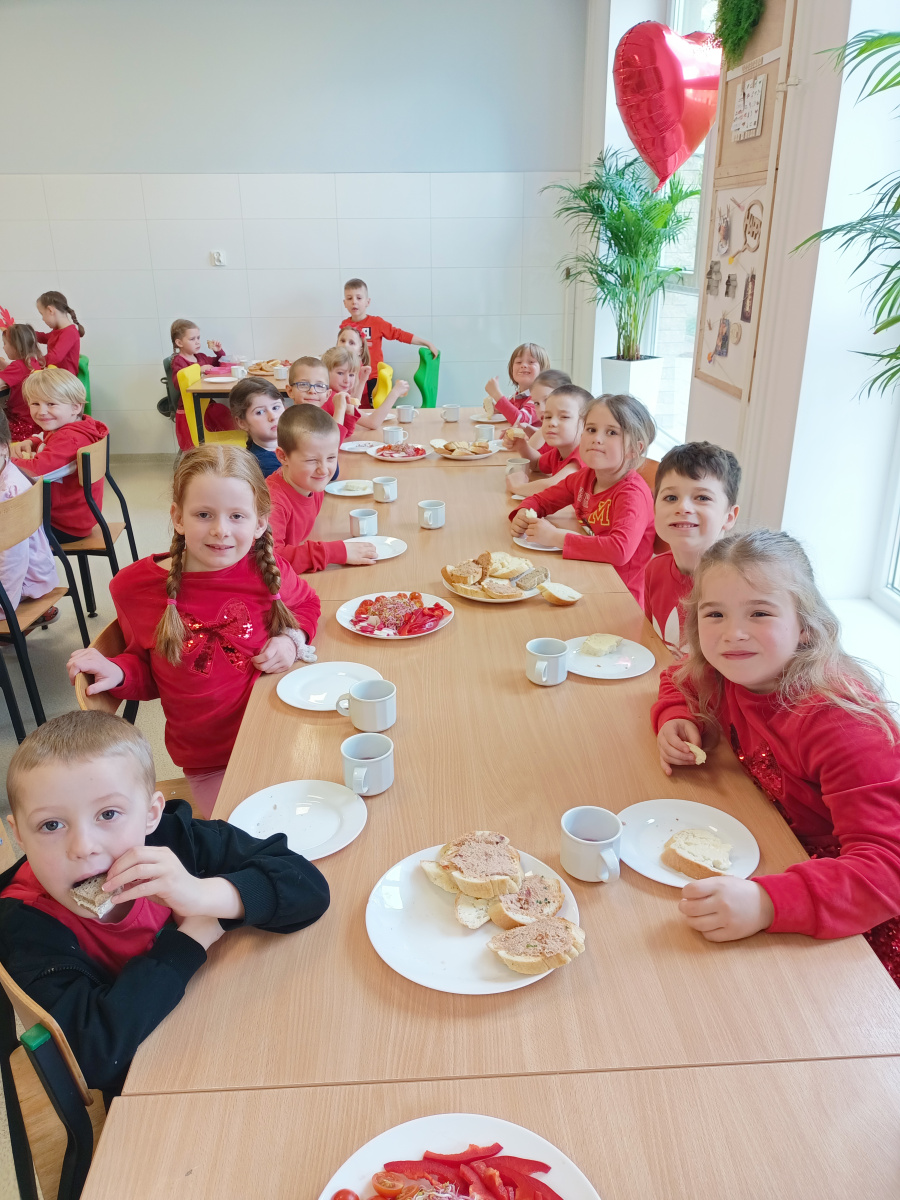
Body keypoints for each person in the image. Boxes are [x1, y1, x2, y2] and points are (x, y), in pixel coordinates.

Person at [0, 710, 330, 1095]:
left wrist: (203, 894)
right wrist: (195, 935)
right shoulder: (25, 927)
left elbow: (307, 887)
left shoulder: (172, 838)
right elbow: (92, 1058)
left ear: (150, 814)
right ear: (19, 834)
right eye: (51, 825)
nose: (84, 847)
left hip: (234, 1018)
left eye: (108, 814)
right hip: (160, 1079)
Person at [652, 529, 900, 983]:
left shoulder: (840, 722)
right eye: (715, 614)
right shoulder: (726, 670)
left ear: (804, 624)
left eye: (760, 612)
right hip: (774, 847)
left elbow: (888, 867)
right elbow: (678, 679)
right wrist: (676, 717)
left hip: (852, 909)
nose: (733, 634)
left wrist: (768, 903)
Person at [66, 445, 320, 816]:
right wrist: (118, 672)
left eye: (237, 516)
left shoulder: (266, 570)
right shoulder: (134, 588)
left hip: (282, 734)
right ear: (178, 517)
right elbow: (151, 674)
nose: (220, 530)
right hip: (210, 762)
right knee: (254, 839)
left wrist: (291, 641)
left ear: (260, 523)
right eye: (204, 514)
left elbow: (308, 604)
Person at [509, 393, 656, 606]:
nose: (597, 438)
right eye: (591, 429)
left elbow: (619, 551)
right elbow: (542, 500)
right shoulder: (584, 478)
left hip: (618, 598)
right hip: (585, 575)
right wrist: (523, 512)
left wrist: (556, 537)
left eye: (612, 432)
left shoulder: (632, 494)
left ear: (635, 449)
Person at [645, 442, 741, 655]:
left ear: (729, 517)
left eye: (702, 498)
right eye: (671, 498)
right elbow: (651, 644)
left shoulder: (739, 585)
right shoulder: (654, 570)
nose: (683, 508)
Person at [267, 404, 377, 574]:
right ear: (283, 456)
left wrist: (345, 409)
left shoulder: (310, 480)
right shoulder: (272, 503)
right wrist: (334, 552)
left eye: (331, 457)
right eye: (312, 460)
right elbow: (271, 560)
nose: (324, 470)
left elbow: (335, 436)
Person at [10, 369, 108, 541]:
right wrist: (32, 441)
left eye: (51, 404)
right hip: (76, 516)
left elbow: (35, 472)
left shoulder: (70, 439)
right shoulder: (78, 425)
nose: (42, 411)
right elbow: (47, 436)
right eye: (35, 404)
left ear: (76, 407)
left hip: (61, 524)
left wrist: (6, 461)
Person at [339, 278, 438, 405]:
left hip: (374, 378)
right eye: (349, 298)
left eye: (359, 298)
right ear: (344, 303)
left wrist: (427, 343)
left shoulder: (377, 323)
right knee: (355, 409)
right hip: (353, 379)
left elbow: (399, 334)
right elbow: (340, 352)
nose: (354, 302)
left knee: (375, 409)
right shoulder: (345, 325)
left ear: (367, 302)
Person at [0, 411, 58, 619]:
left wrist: (4, 607)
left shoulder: (8, 493)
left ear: (4, 447)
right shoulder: (7, 469)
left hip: (18, 584)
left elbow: (12, 562)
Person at [505, 384, 591, 498]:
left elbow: (553, 486)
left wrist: (517, 487)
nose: (552, 423)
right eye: (548, 417)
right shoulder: (559, 452)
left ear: (587, 425)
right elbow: (536, 464)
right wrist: (522, 446)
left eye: (564, 417)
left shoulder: (583, 456)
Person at [169, 319, 235, 451]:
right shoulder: (178, 361)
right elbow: (178, 382)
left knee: (224, 415)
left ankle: (227, 447)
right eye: (192, 339)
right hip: (191, 407)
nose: (197, 342)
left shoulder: (200, 357)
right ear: (179, 343)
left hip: (206, 403)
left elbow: (219, 363)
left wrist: (219, 352)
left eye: (198, 338)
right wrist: (198, 369)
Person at [321, 345, 409, 431]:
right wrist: (395, 392)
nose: (347, 380)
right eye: (340, 373)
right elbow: (373, 423)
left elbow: (354, 406)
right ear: (325, 372)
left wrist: (363, 379)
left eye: (351, 375)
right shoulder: (333, 398)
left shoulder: (330, 394)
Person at [285, 356, 357, 444]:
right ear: (290, 391)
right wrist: (340, 410)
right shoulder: (293, 420)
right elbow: (331, 444)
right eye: (303, 384)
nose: (312, 391)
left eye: (319, 386)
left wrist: (349, 412)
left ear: (328, 394)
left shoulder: (321, 416)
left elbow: (346, 434)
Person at [228, 377, 285, 477]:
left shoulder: (293, 443)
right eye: (260, 412)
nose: (273, 417)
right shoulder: (266, 466)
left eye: (275, 407)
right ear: (242, 423)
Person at [501, 367, 571, 449]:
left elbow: (533, 453)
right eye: (536, 403)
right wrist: (527, 428)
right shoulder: (549, 428)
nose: (541, 409)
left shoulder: (566, 433)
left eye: (547, 400)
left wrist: (521, 445)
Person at [486, 342, 550, 427]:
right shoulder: (518, 396)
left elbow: (521, 421)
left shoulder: (540, 399)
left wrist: (496, 394)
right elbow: (511, 412)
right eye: (519, 362)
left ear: (542, 371)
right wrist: (497, 409)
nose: (523, 365)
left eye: (531, 362)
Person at [0, 321, 44, 442]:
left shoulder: (17, 367)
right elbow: (16, 372)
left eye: (5, 344)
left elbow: (8, 376)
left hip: (20, 423)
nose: (3, 347)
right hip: (33, 421)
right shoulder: (32, 361)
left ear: (15, 346)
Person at [35, 290, 84, 377]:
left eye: (42, 314)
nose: (42, 319)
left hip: (66, 380)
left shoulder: (70, 332)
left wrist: (34, 362)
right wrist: (25, 333)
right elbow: (44, 337)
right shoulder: (58, 331)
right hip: (57, 376)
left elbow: (55, 356)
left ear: (50, 310)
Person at [336, 325, 371, 402]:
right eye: (342, 341)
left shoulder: (360, 370)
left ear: (360, 351)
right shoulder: (332, 365)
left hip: (357, 405)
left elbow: (354, 401)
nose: (345, 345)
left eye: (351, 343)